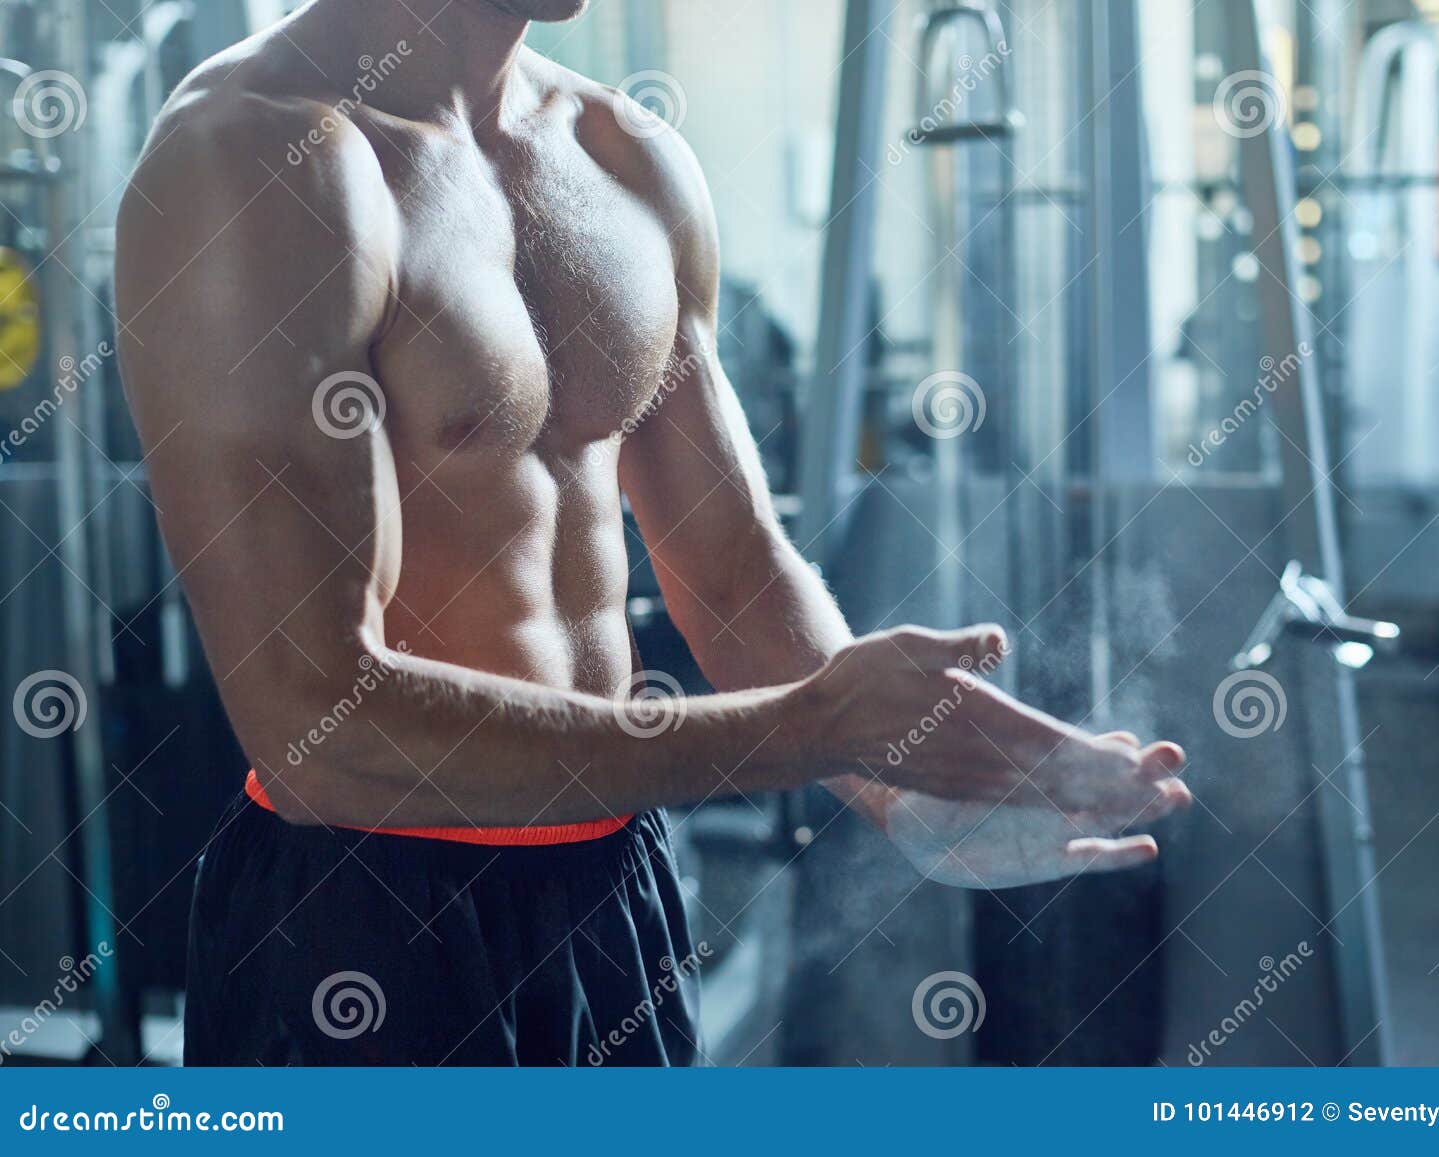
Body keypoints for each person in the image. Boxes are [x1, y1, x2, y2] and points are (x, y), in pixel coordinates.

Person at [113, 0, 1191, 1066]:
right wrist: (812, 729)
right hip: (367, 913)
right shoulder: (258, 160)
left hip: (615, 888)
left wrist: (903, 784)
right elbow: (319, 733)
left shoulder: (622, 154)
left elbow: (730, 570)